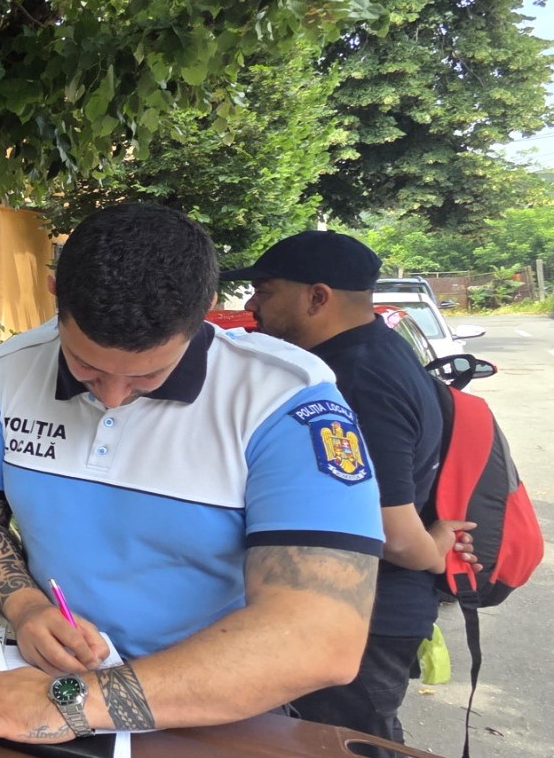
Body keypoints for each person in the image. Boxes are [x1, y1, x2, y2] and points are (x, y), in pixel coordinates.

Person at [0, 203, 385, 746]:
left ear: (205, 310)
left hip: (213, 710)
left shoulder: (283, 400)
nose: (113, 397)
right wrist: (27, 607)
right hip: (47, 682)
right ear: (54, 293)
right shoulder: (11, 370)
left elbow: (321, 635)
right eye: (86, 367)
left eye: (148, 374)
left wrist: (74, 701)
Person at [225, 230, 480, 747]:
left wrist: (436, 549)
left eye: (265, 291)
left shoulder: (356, 378)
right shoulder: (382, 349)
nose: (251, 306)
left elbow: (391, 530)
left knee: (337, 744)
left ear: (317, 297)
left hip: (362, 616)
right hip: (362, 612)